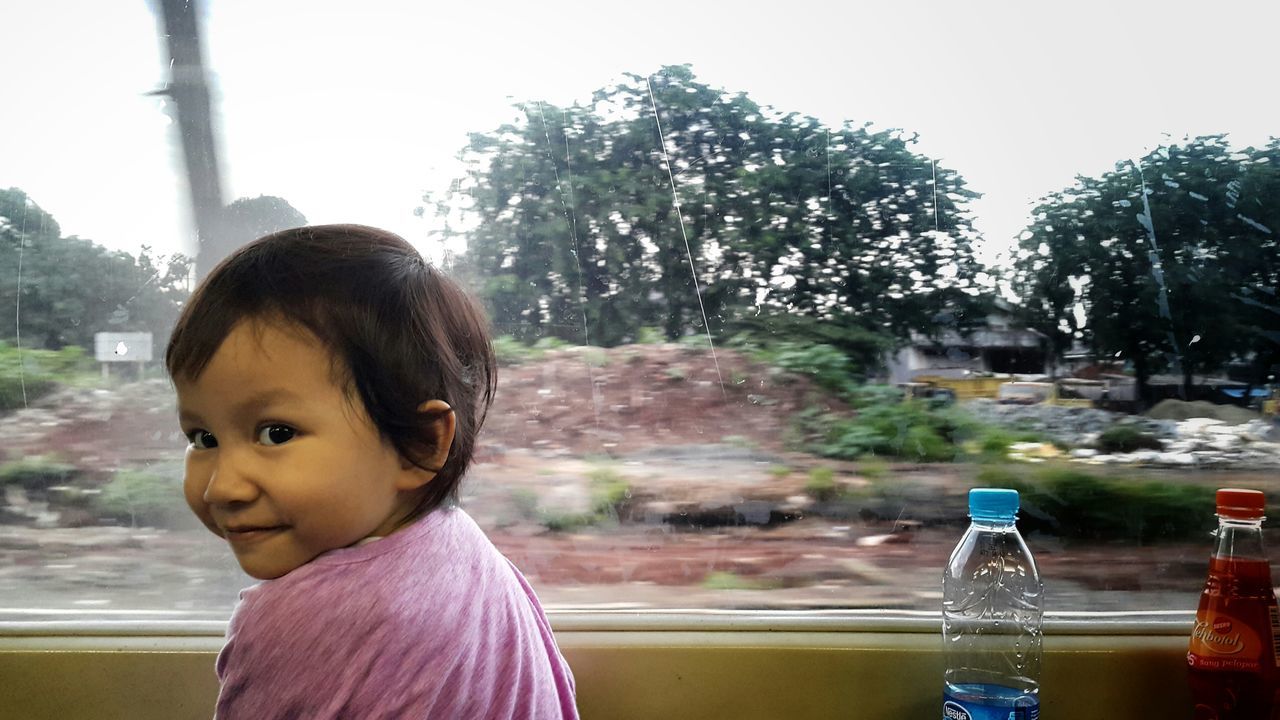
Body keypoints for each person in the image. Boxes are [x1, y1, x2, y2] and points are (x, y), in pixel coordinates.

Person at [166, 224, 579, 719]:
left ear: (418, 444)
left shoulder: (301, 622)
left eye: (276, 433)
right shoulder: (460, 546)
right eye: (202, 439)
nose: (221, 487)